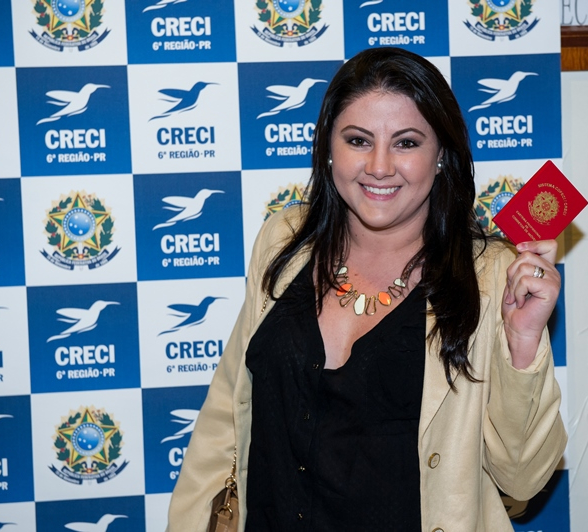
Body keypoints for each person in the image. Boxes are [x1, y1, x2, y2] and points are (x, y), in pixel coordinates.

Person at [167, 47, 566, 532]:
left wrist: (523, 343)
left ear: (441, 154)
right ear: (328, 147)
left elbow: (522, 480)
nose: (379, 166)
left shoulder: (491, 277)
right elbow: (224, 419)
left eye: (406, 143)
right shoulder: (283, 241)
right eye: (358, 140)